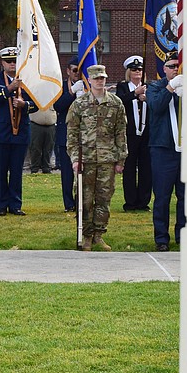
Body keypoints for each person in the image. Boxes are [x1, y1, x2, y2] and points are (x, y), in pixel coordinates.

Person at [66, 64, 127, 251]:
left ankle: (99, 235)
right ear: (89, 80)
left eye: (103, 78)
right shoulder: (79, 104)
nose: (100, 81)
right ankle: (86, 235)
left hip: (108, 159)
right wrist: (75, 158)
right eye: (97, 78)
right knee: (84, 199)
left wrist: (120, 159)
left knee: (104, 199)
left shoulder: (116, 103)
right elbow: (72, 134)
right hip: (87, 159)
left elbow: (121, 133)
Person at [0, 46, 38, 216]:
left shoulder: (27, 80)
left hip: (20, 131)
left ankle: (15, 204)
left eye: (15, 61)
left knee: (16, 170)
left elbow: (36, 104)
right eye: (9, 61)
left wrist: (25, 105)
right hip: (1, 131)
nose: (12, 64)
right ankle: (1, 205)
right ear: (2, 63)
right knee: (1, 170)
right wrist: (9, 89)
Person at [148, 56, 185, 251]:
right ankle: (161, 238)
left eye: (179, 66)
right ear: (164, 69)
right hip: (163, 150)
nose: (176, 70)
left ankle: (183, 235)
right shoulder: (155, 87)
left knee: (185, 196)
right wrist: (170, 88)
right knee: (162, 196)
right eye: (172, 66)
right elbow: (156, 106)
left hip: (185, 150)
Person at [115, 55, 152, 211]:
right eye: (134, 69)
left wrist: (146, 98)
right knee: (129, 169)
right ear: (128, 72)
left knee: (146, 168)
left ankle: (143, 202)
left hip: (145, 133)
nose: (137, 72)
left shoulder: (149, 86)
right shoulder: (123, 86)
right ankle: (130, 202)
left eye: (140, 69)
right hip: (130, 134)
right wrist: (134, 94)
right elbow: (119, 101)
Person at [54, 58, 82, 212]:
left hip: (85, 135)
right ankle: (69, 203)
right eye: (74, 70)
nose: (77, 73)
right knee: (67, 172)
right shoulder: (62, 87)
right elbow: (57, 106)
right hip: (65, 135)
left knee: (83, 171)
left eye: (79, 70)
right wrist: (71, 92)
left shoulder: (87, 87)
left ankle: (81, 202)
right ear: (68, 71)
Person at [28, 108, 56, 173]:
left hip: (50, 124)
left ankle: (46, 168)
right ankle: (34, 168)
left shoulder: (52, 98)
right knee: (35, 147)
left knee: (49, 148)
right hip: (36, 124)